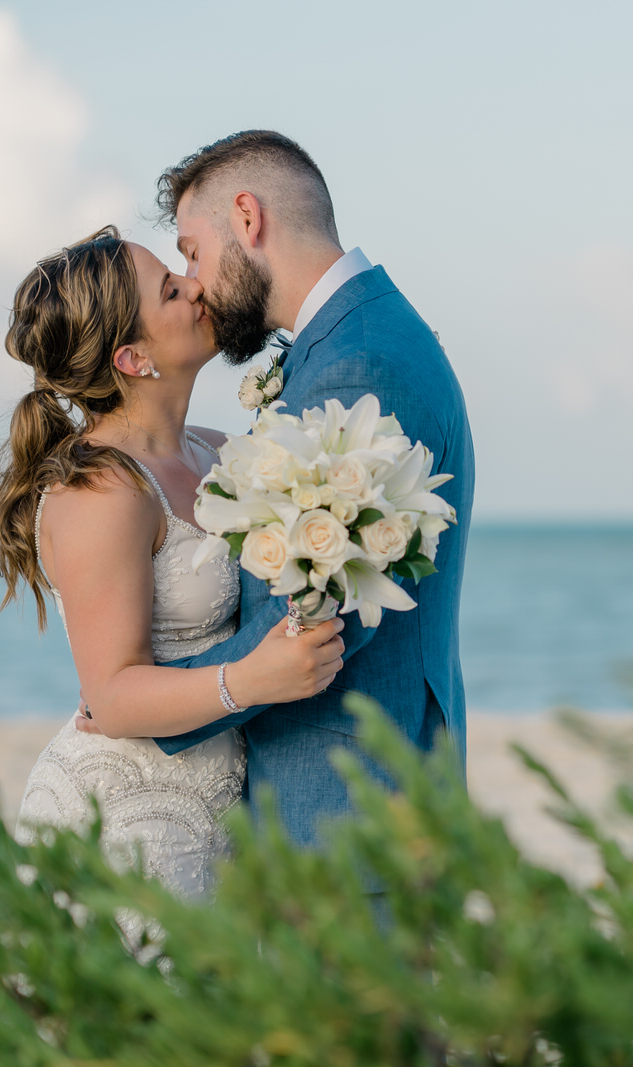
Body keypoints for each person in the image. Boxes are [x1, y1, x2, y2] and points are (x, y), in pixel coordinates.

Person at [77, 131, 475, 848]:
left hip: (347, 810)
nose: (193, 282)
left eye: (192, 254)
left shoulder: (356, 369)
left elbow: (314, 617)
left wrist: (124, 707)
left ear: (248, 219)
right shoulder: (352, 342)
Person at [0, 226, 346, 898]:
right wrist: (250, 678)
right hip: (126, 823)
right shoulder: (101, 490)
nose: (197, 287)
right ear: (132, 356)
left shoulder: (216, 452)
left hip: (218, 815)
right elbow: (113, 695)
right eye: (172, 290)